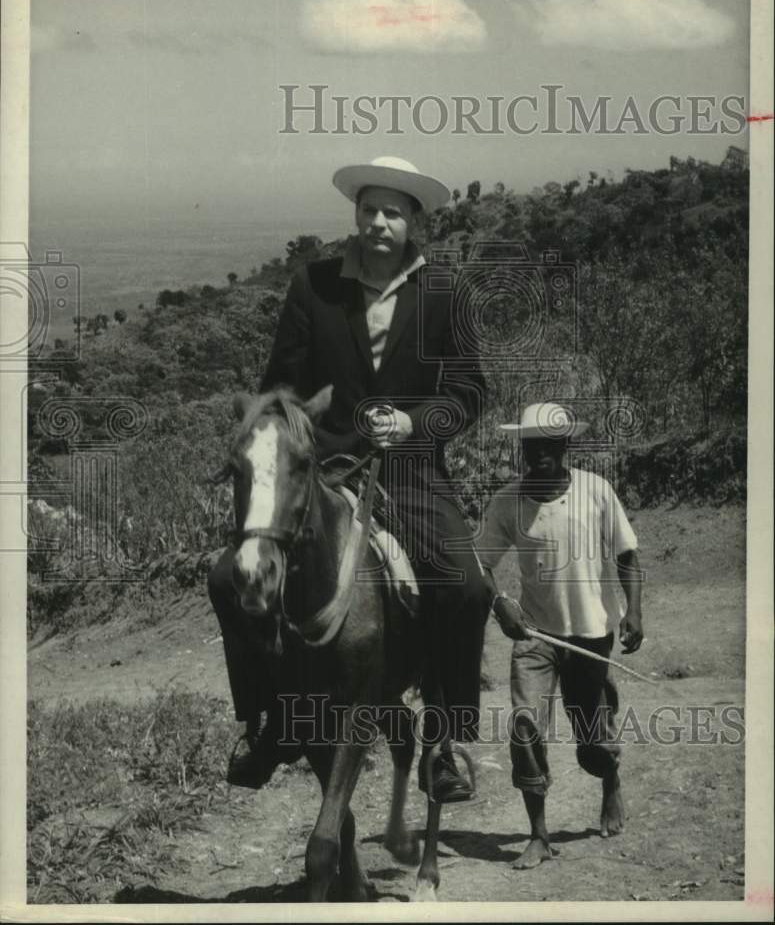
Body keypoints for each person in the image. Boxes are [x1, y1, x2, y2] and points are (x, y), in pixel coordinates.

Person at [208, 156, 491, 803]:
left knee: (465, 586)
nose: (378, 223)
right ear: (355, 216)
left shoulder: (445, 291)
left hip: (410, 470)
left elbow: (470, 391)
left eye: (393, 212)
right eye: (369, 210)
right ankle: (261, 723)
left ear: (414, 220)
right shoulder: (313, 285)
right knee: (229, 576)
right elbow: (279, 384)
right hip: (324, 464)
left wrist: (414, 423)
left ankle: (446, 740)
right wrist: (286, 437)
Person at [479, 401, 644, 868]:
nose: (540, 455)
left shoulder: (596, 491)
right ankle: (538, 834)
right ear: (522, 449)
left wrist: (634, 611)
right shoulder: (507, 502)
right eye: (532, 446)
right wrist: (499, 604)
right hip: (535, 636)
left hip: (591, 633)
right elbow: (479, 565)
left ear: (566, 446)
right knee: (526, 725)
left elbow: (627, 554)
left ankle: (609, 779)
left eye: (550, 445)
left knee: (592, 740)